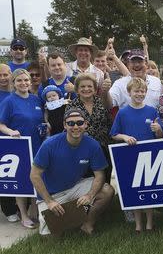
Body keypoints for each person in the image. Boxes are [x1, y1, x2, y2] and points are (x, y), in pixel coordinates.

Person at [30, 109, 115, 236]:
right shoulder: (49, 144)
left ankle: (87, 225)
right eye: (71, 123)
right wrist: (49, 201)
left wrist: (90, 195)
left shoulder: (93, 145)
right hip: (51, 195)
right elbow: (34, 175)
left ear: (86, 124)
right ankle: (67, 218)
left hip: (74, 187)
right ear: (65, 125)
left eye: (80, 123)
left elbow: (100, 175)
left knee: (107, 190)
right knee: (49, 237)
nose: (75, 127)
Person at [110, 77, 163, 233]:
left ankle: (149, 223)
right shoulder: (123, 112)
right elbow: (113, 134)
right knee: (135, 191)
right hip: (130, 156)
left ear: (146, 93)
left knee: (148, 189)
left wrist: (158, 129)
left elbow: (159, 135)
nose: (140, 94)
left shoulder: (152, 111)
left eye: (142, 91)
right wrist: (125, 137)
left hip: (149, 156)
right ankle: (138, 224)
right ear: (129, 92)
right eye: (136, 91)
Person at [0, 68, 45, 228]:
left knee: (36, 178)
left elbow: (41, 119)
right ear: (14, 83)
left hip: (37, 145)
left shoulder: (35, 99)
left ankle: (34, 210)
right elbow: (1, 124)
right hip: (19, 147)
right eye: (19, 80)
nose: (23, 83)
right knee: (22, 181)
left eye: (26, 80)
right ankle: (24, 215)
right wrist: (10, 131)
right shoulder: (9, 101)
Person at [66, 74, 112, 182]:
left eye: (90, 86)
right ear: (76, 89)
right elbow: (69, 129)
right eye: (82, 87)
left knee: (105, 180)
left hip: (103, 149)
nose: (86, 89)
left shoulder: (102, 102)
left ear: (95, 89)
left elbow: (109, 113)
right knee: (86, 181)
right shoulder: (71, 106)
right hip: (82, 149)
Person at [0, 64, 19, 223]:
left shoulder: (16, 92)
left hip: (17, 141)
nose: (3, 78)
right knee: (5, 176)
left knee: (16, 174)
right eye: (0, 75)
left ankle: (19, 207)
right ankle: (8, 209)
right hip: (2, 140)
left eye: (5, 75)